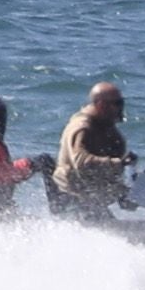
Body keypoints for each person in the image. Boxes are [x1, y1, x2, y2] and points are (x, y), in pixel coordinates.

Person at [53, 81, 134, 215]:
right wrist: (118, 163)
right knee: (106, 230)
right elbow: (82, 163)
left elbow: (110, 168)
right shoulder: (81, 128)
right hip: (72, 196)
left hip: (91, 197)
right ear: (102, 105)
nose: (121, 108)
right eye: (117, 104)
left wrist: (122, 193)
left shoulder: (108, 128)